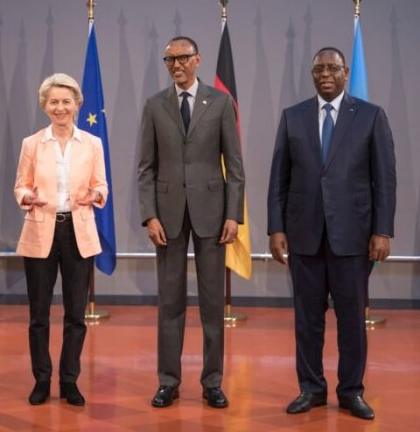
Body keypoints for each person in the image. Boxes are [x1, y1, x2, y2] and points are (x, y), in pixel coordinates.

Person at [267, 47, 396, 420]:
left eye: (332, 68)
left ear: (345, 72)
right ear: (312, 74)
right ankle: (311, 388)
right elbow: (279, 179)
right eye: (318, 69)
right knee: (307, 321)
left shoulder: (370, 116)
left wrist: (382, 231)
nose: (325, 74)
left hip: (353, 237)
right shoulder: (293, 117)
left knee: (352, 321)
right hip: (303, 236)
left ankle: (351, 391)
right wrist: (276, 227)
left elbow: (385, 179)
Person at [137, 36, 245, 409]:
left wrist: (233, 215)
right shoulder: (154, 105)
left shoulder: (220, 103)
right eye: (170, 60)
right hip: (167, 217)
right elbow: (145, 168)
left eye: (183, 58)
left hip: (213, 216)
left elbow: (235, 165)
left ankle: (212, 382)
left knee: (213, 304)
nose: (177, 65)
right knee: (170, 303)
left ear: (198, 60)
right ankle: (168, 381)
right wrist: (149, 215)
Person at [14, 73, 108, 406]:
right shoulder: (32, 143)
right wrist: (27, 197)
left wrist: (96, 194)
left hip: (78, 232)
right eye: (53, 101)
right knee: (39, 314)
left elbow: (101, 185)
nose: (60, 107)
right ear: (44, 105)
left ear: (77, 104)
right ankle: (41, 379)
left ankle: (70, 380)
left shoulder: (92, 143)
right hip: (41, 229)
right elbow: (20, 186)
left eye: (66, 101)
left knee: (76, 314)